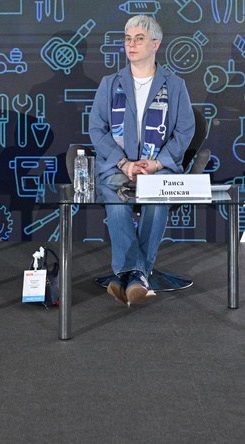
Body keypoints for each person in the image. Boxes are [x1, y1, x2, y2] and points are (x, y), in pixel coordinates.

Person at [88, 15, 195, 306]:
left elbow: (185, 130)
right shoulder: (110, 83)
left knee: (157, 195)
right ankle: (138, 274)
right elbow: (97, 129)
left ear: (155, 45)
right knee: (114, 194)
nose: (131, 44)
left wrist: (157, 164)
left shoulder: (175, 85)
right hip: (117, 166)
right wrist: (124, 163)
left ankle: (127, 274)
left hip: (159, 167)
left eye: (139, 39)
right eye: (127, 39)